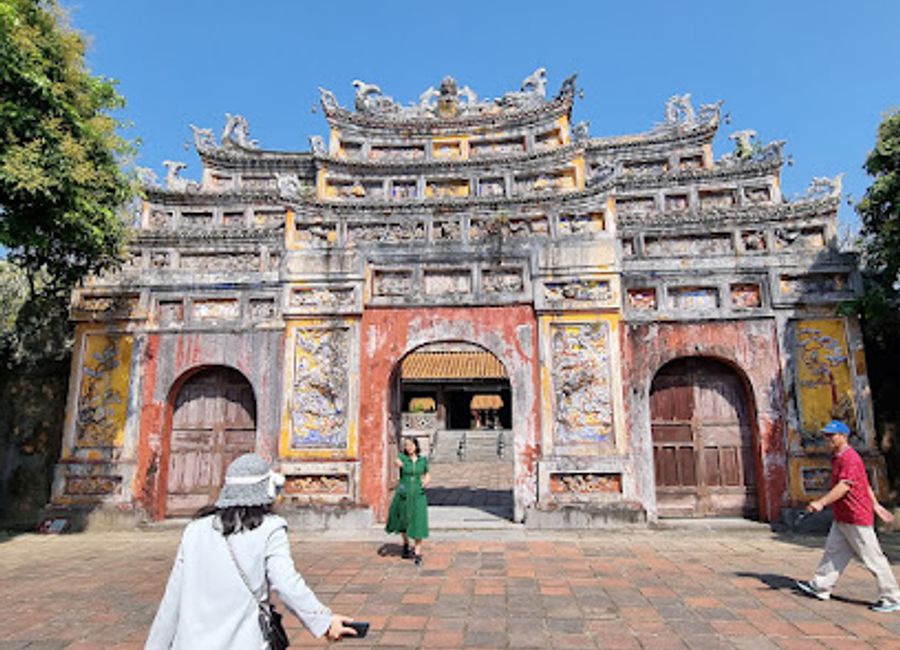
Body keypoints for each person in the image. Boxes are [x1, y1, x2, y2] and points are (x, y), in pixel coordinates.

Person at [146, 453, 358, 648]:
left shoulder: (195, 529)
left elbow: (172, 599)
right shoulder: (270, 528)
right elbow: (286, 583)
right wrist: (325, 622)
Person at [796, 420, 900, 612]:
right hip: (843, 515)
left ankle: (892, 596)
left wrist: (821, 502)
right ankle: (821, 586)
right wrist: (875, 505)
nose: (828, 439)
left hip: (856, 516)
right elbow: (864, 482)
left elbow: (845, 485)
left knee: (873, 557)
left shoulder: (849, 458)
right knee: (834, 552)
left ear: (843, 437)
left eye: (831, 436)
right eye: (826, 435)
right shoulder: (837, 457)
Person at [385, 436, 430, 564]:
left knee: (419, 520)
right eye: (406, 445)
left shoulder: (423, 460)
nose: (408, 447)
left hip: (418, 494)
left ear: (416, 446)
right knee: (403, 520)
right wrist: (400, 463)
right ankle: (405, 542)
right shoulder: (402, 458)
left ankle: (417, 551)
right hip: (404, 492)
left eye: (411, 445)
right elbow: (396, 461)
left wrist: (426, 481)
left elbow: (426, 474)